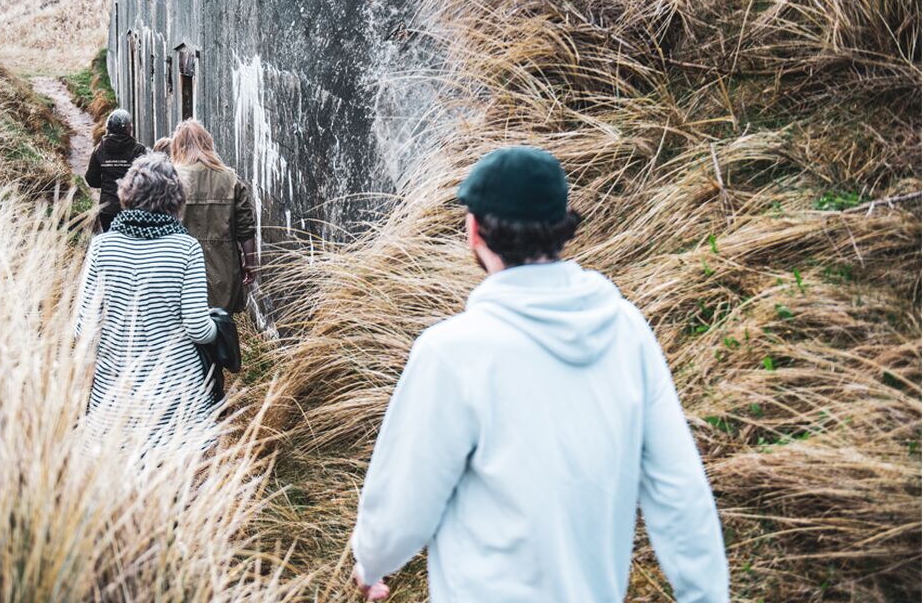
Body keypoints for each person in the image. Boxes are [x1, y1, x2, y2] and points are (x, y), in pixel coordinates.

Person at [350, 147, 729, 601]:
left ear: (473, 232)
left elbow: (403, 504)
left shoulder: (452, 351)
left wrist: (372, 562)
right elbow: (679, 490)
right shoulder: (627, 332)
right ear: (562, 226)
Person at [75, 153, 217, 446]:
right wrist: (221, 328)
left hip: (115, 393)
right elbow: (198, 329)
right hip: (176, 396)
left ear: (127, 192)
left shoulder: (102, 247)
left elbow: (83, 330)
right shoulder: (187, 249)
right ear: (175, 198)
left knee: (121, 480)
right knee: (174, 480)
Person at [170, 119, 257, 313]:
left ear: (177, 146)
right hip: (224, 267)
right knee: (220, 324)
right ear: (207, 143)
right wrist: (250, 262)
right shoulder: (230, 179)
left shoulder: (171, 179)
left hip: (179, 267)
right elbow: (246, 227)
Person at [84, 109, 147, 232]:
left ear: (108, 128)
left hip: (107, 208)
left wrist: (106, 183)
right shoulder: (139, 150)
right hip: (132, 208)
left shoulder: (99, 149)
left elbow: (91, 180)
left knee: (111, 243)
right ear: (128, 129)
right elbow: (147, 180)